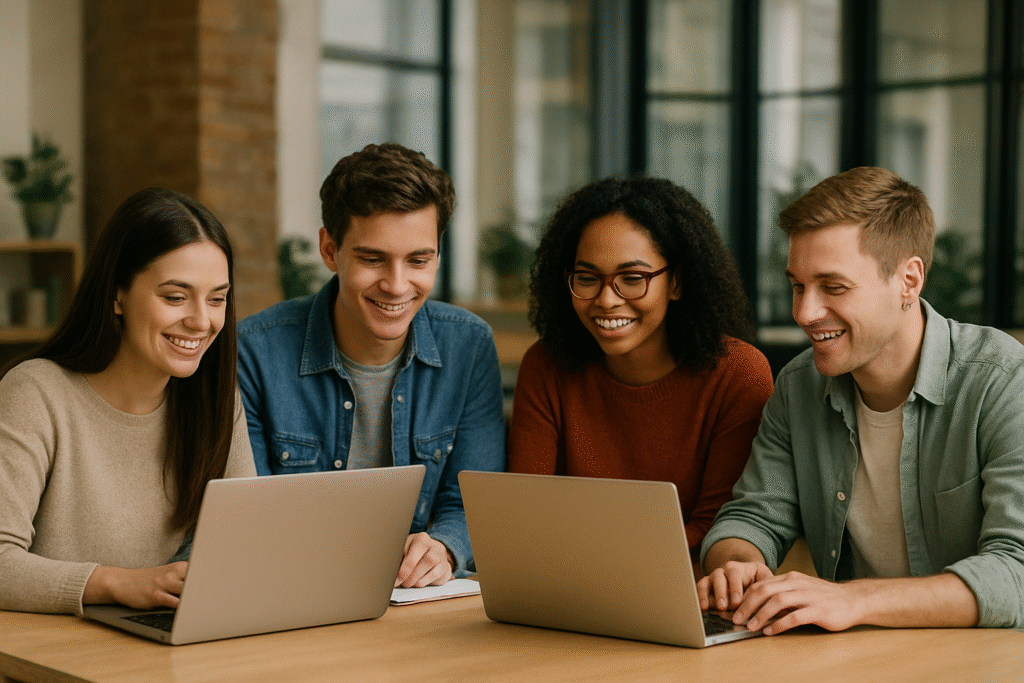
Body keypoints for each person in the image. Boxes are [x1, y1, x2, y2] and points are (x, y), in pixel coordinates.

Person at [698, 167, 1024, 633]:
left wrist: (854, 600)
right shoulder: (799, 387)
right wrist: (736, 563)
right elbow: (753, 516)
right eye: (797, 286)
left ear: (909, 280)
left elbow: (1017, 573)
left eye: (833, 287)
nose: (804, 313)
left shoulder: (1004, 381)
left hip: (982, 660)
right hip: (857, 657)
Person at [237, 143, 506, 588]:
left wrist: (443, 547)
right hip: (295, 591)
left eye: (418, 260)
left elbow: (473, 501)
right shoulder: (254, 350)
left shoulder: (469, 346)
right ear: (330, 250)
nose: (397, 285)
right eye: (373, 259)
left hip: (412, 601)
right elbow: (249, 514)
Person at [0, 187, 256, 615]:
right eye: (175, 297)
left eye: (217, 299)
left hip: (148, 641)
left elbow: (245, 542)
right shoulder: (35, 393)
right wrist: (115, 583)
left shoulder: (214, 399)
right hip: (47, 647)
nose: (201, 321)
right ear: (117, 294)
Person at [508, 176, 774, 553]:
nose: (606, 299)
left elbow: (719, 526)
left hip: (686, 582)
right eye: (587, 278)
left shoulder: (738, 374)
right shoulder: (546, 365)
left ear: (677, 282)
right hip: (564, 579)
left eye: (632, 278)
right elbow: (526, 513)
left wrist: (613, 560)